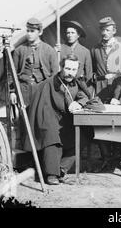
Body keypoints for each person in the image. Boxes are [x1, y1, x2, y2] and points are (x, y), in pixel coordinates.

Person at [24, 54, 100, 185]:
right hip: (47, 117)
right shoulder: (51, 83)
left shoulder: (75, 82)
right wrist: (69, 104)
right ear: (62, 67)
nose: (70, 73)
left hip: (65, 119)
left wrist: (79, 103)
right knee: (52, 134)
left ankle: (61, 168)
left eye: (73, 70)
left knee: (86, 133)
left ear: (77, 70)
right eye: (68, 69)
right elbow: (44, 107)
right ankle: (51, 174)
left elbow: (84, 96)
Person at [91, 16, 121, 166]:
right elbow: (91, 72)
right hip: (100, 90)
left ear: (114, 31)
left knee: (119, 121)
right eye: (102, 30)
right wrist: (99, 77)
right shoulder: (95, 49)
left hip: (117, 88)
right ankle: (106, 157)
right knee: (100, 122)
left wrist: (117, 76)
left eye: (108, 30)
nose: (105, 33)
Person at [10, 17, 59, 107]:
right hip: (23, 91)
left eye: (32, 31)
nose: (29, 34)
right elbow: (12, 73)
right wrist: (12, 92)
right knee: (23, 118)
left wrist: (50, 92)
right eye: (27, 31)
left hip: (42, 90)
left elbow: (55, 74)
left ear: (40, 32)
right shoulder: (19, 50)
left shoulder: (49, 50)